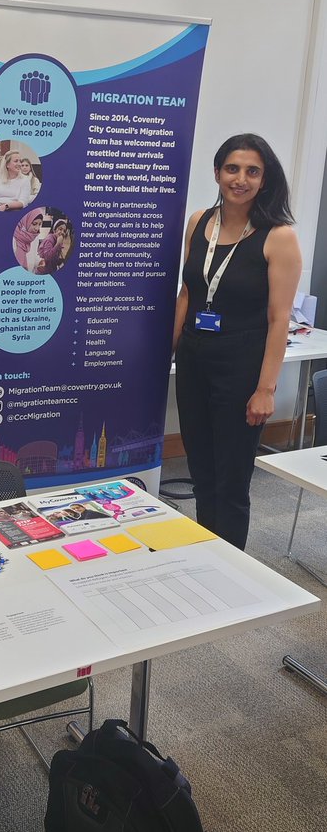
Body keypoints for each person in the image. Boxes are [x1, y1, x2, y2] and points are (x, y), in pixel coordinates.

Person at [173, 134, 302, 550]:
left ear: (264, 180)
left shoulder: (278, 236)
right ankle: (206, 551)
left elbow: (279, 318)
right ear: (217, 173)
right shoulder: (199, 223)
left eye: (252, 171)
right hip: (194, 358)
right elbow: (188, 293)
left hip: (242, 364)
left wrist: (266, 389)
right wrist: (167, 355)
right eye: (232, 168)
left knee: (231, 476)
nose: (240, 179)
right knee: (200, 468)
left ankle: (230, 566)